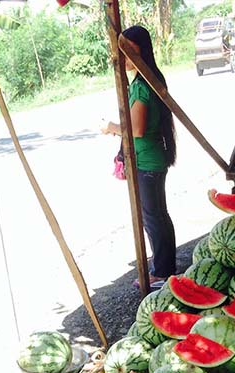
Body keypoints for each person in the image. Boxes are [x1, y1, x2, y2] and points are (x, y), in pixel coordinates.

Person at [102, 25, 178, 289]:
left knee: (153, 217)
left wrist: (111, 127)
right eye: (121, 52)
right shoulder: (149, 79)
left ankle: (161, 271)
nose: (123, 58)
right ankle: (166, 267)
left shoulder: (142, 86)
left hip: (147, 162)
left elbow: (136, 129)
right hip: (152, 159)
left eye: (128, 51)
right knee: (158, 214)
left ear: (141, 51)